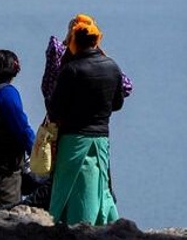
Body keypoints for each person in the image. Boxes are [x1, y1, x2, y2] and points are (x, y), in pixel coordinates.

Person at [47, 14, 126, 225]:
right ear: (97, 40)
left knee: (73, 190)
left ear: (74, 41)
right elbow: (117, 103)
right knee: (101, 186)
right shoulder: (112, 66)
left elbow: (55, 110)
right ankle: (112, 228)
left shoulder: (71, 70)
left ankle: (78, 229)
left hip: (73, 140)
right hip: (101, 139)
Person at [0, 49, 36, 213]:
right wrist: (37, 152)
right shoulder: (7, 93)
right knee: (7, 217)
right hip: (5, 172)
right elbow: (21, 128)